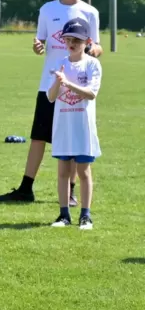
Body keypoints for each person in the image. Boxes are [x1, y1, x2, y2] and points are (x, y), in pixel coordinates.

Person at [0, 0, 102, 203]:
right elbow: (40, 41)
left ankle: (71, 193)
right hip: (49, 85)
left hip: (75, 86)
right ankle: (25, 188)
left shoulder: (90, 13)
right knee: (38, 137)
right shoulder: (48, 9)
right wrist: (37, 46)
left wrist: (95, 51)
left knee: (72, 137)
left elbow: (97, 46)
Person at [46, 18, 101, 230]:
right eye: (68, 39)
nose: (72, 43)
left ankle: (86, 216)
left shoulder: (92, 64)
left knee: (83, 171)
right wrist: (57, 83)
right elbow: (51, 97)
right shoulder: (60, 64)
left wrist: (68, 83)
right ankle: (63, 215)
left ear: (87, 41)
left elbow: (91, 94)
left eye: (76, 40)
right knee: (62, 171)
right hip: (63, 126)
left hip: (82, 127)